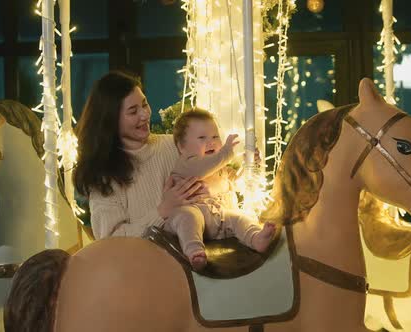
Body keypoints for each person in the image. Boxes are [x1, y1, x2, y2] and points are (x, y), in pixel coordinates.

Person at [73, 70, 207, 240]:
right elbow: (111, 241)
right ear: (111, 120)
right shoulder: (104, 176)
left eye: (144, 104)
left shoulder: (175, 145)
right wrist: (162, 211)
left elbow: (213, 163)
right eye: (133, 111)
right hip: (138, 265)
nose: (145, 115)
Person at [166, 109, 276, 270]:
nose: (211, 142)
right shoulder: (187, 163)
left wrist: (250, 165)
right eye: (202, 138)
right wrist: (225, 153)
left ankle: (256, 238)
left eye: (215, 137)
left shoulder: (221, 168)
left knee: (239, 217)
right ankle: (194, 251)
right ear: (182, 147)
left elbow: (238, 183)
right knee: (188, 216)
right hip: (193, 212)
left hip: (222, 218)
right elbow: (203, 168)